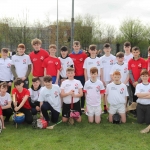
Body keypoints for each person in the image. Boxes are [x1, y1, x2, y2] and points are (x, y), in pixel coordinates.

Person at [69, 41, 87, 111]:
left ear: (80, 46)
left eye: (77, 46)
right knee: (74, 91)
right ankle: (74, 106)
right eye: (75, 46)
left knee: (82, 91)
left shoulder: (84, 55)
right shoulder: (70, 55)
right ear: (73, 47)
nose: (76, 47)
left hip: (82, 76)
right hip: (74, 76)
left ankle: (82, 106)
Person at [100, 43, 116, 113]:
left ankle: (113, 107)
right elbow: (101, 69)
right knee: (104, 94)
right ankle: (105, 107)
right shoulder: (101, 59)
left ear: (110, 49)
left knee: (112, 93)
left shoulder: (114, 58)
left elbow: (115, 69)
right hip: (104, 79)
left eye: (108, 48)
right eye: (105, 48)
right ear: (103, 50)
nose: (107, 50)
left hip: (112, 79)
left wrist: (112, 79)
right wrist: (102, 79)